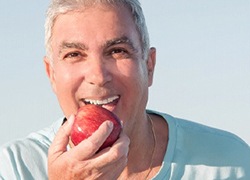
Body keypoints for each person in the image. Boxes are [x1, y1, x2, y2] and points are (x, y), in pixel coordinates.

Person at [0, 0, 250, 179]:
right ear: (51, 74)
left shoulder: (230, 163)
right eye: (74, 54)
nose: (98, 76)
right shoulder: (14, 168)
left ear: (149, 66)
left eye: (117, 51)